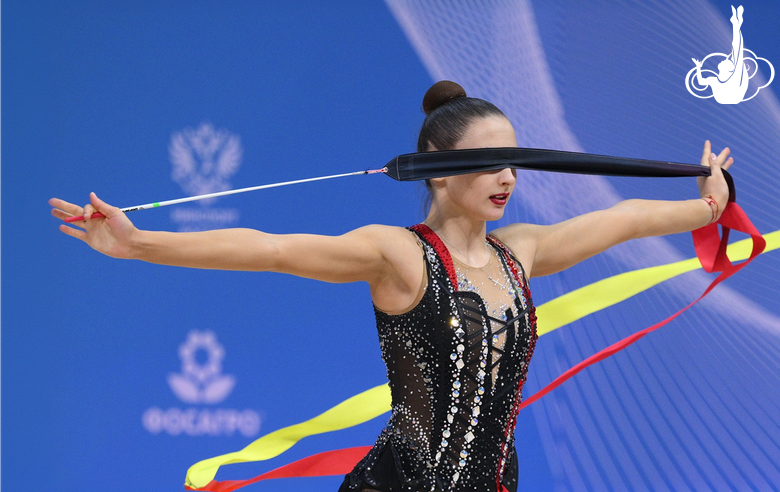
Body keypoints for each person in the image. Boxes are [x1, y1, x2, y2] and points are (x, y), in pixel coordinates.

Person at [49, 80, 733, 492]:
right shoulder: (400, 256)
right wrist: (137, 242)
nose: (508, 178)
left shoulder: (522, 251)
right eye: (492, 162)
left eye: (517, 163)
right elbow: (274, 250)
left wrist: (705, 206)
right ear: (438, 169)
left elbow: (624, 218)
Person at [692, 5, 749, 104]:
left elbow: (737, 49)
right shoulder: (715, 80)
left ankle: (736, 23)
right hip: (728, 96)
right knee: (737, 52)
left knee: (737, 51)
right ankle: (736, 23)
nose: (724, 59)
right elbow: (701, 82)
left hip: (732, 95)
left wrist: (736, 26)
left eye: (726, 61)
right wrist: (698, 67)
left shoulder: (732, 78)